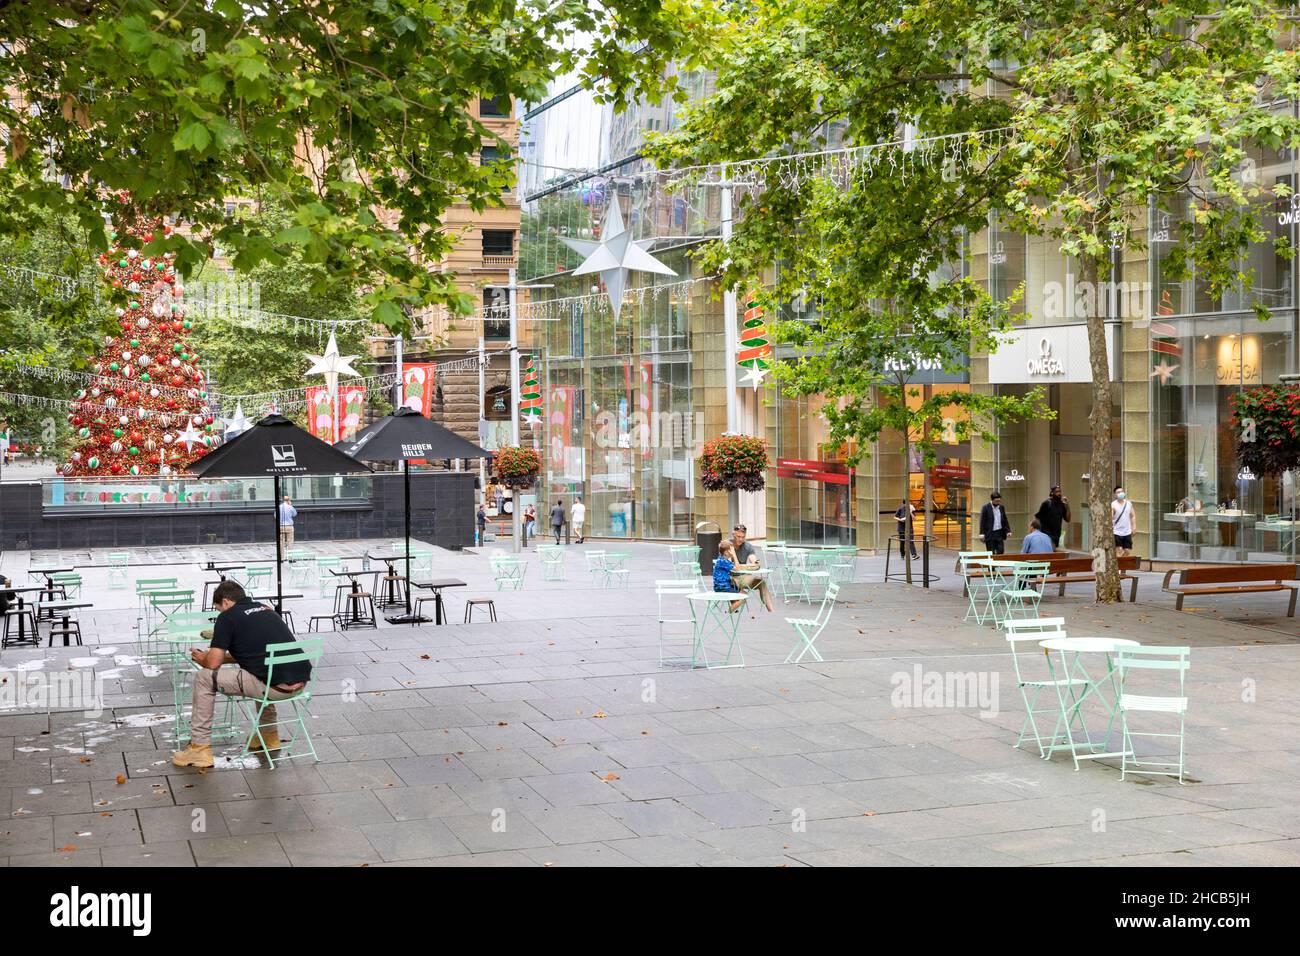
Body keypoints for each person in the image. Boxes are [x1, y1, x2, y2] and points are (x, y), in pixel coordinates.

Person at [172, 581, 313, 769]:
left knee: (204, 677)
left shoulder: (227, 618)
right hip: (299, 683)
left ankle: (199, 748)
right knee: (261, 670)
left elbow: (213, 663)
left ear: (226, 602)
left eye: (219, 609)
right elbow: (255, 653)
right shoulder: (266, 609)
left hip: (273, 687)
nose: (220, 613)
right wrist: (221, 657)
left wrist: (203, 658)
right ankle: (268, 736)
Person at [730, 524, 776, 612]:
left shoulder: (747, 546)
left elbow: (756, 563)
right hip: (730, 578)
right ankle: (731, 609)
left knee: (761, 582)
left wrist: (743, 566)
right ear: (733, 535)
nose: (740, 539)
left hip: (742, 577)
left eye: (743, 537)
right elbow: (730, 567)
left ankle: (772, 611)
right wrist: (745, 566)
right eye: (738, 536)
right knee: (739, 591)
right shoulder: (727, 545)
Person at [711, 540, 745, 613]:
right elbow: (737, 568)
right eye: (731, 550)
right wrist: (734, 555)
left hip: (723, 586)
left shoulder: (723, 560)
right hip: (722, 587)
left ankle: (733, 608)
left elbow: (736, 566)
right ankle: (728, 612)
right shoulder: (723, 561)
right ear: (726, 552)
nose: (733, 551)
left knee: (741, 591)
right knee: (743, 596)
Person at [1034, 484, 1070, 549]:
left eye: (1060, 491)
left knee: (1052, 552)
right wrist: (1037, 533)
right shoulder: (1047, 503)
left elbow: (1068, 519)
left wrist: (1067, 506)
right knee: (1052, 550)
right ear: (1052, 493)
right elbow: (1037, 518)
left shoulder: (1061, 504)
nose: (1059, 493)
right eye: (1057, 492)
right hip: (1046, 534)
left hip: (1056, 534)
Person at [1112, 485, 1136, 557]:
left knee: (1127, 551)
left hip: (1127, 532)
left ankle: (1121, 566)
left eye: (1122, 491)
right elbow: (1111, 518)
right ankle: (1118, 567)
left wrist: (1134, 527)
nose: (1120, 493)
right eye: (1118, 492)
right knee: (1119, 551)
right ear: (1115, 495)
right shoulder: (1113, 505)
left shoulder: (1128, 504)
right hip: (1116, 532)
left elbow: (1133, 516)